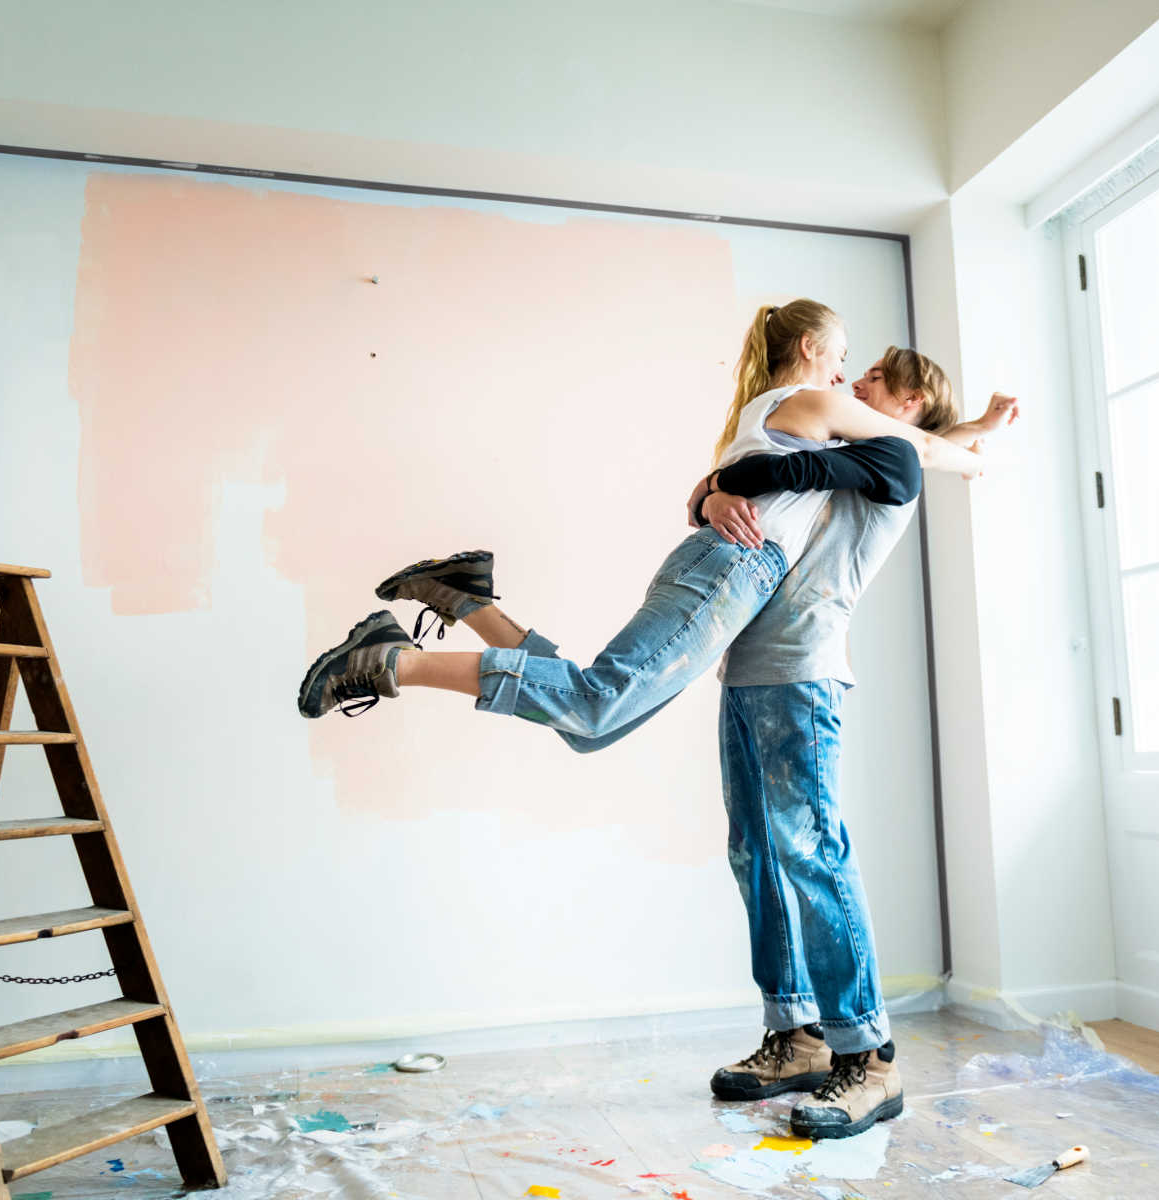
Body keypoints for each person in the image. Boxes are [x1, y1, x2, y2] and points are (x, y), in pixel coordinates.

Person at [297, 301, 983, 732]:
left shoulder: (782, 411)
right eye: (840, 355)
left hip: (729, 566)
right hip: (735, 566)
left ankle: (466, 596)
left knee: (591, 720)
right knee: (596, 707)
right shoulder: (810, 401)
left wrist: (976, 427)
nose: (844, 374)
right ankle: (390, 660)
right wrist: (983, 453)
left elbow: (906, 448)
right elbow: (915, 445)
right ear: (809, 350)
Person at [689, 350, 1018, 1140]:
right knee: (756, 853)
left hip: (802, 675)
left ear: (905, 403)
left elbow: (776, 466)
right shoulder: (855, 447)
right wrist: (708, 494)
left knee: (812, 854)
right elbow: (745, 472)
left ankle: (867, 1059)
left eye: (872, 378)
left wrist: (715, 487)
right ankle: (796, 1035)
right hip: (747, 671)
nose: (852, 383)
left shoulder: (890, 457)